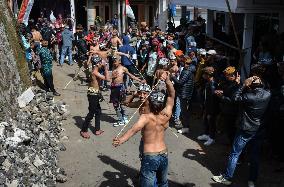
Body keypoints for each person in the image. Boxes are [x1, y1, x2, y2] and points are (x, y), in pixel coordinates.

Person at [113, 71, 175, 187]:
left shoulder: (145, 117)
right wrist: (167, 80)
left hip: (150, 155)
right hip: (163, 154)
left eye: (144, 94)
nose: (142, 96)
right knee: (163, 183)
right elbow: (171, 95)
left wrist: (120, 140)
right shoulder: (166, 114)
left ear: (150, 101)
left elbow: (133, 130)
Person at [212, 76, 271, 187]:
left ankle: (227, 177)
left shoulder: (249, 96)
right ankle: (252, 180)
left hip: (246, 128)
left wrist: (243, 84)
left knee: (235, 153)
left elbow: (235, 98)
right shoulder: (268, 94)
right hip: (258, 128)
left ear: (250, 85)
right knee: (254, 156)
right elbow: (260, 91)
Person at [110, 55, 145, 127]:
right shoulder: (113, 67)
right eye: (113, 61)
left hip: (120, 87)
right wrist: (112, 77)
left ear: (119, 61)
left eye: (115, 61)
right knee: (116, 104)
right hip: (113, 88)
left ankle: (122, 118)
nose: (114, 62)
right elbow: (111, 78)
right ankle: (121, 118)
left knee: (121, 103)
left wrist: (140, 80)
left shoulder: (123, 68)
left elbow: (131, 76)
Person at [80, 55, 110, 139]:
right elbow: (107, 79)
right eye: (101, 63)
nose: (102, 64)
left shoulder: (96, 71)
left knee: (98, 111)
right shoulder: (95, 72)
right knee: (91, 113)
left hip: (95, 93)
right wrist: (105, 68)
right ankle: (83, 130)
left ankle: (97, 129)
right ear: (98, 64)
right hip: (93, 94)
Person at [171, 56, 195, 134]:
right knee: (184, 111)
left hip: (184, 94)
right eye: (185, 63)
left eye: (187, 63)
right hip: (183, 92)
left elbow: (180, 82)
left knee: (184, 111)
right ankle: (185, 126)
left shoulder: (188, 71)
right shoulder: (187, 70)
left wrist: (173, 77)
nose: (185, 64)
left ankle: (186, 127)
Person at [197, 66, 219, 146]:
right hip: (207, 106)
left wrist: (210, 111)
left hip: (212, 108)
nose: (203, 75)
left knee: (211, 123)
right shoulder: (208, 83)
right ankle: (206, 134)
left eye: (204, 74)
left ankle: (212, 138)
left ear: (208, 75)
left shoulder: (213, 85)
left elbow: (213, 100)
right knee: (206, 121)